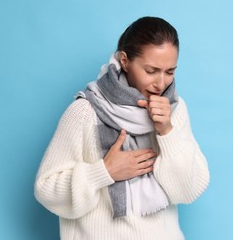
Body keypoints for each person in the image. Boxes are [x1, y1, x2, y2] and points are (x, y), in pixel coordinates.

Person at [34, 16, 210, 240]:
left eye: (170, 72)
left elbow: (188, 190)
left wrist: (166, 131)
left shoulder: (174, 109)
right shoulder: (86, 112)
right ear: (125, 61)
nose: (161, 83)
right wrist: (104, 171)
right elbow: (46, 189)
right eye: (151, 70)